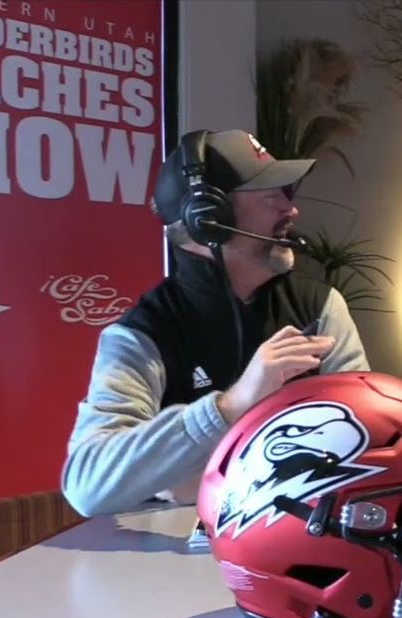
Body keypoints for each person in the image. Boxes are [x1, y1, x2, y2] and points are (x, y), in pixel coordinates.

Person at [61, 129, 369, 517]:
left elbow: (365, 441)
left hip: (302, 542)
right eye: (272, 195)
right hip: (170, 570)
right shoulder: (141, 335)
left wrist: (213, 474)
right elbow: (87, 486)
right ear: (209, 219)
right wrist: (230, 405)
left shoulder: (320, 306)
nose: (291, 211)